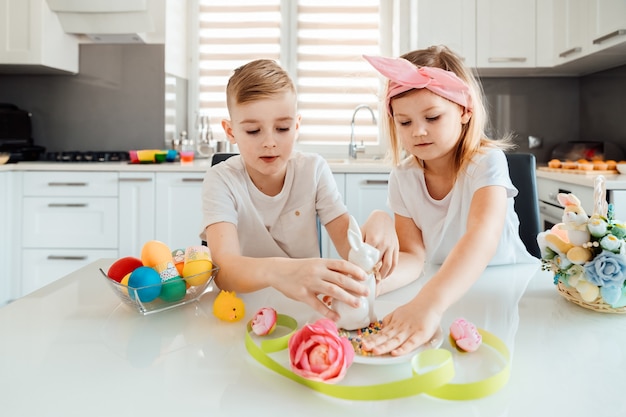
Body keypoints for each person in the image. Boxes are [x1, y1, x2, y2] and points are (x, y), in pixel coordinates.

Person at [359, 46, 537, 356]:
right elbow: (414, 256)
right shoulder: (403, 178)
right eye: (404, 122)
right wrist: (370, 286)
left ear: (465, 110)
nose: (419, 131)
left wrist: (428, 303)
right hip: (444, 290)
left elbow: (482, 236)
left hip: (506, 289)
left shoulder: (486, 162)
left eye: (432, 116)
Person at [200, 59, 401, 321]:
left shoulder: (313, 170)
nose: (269, 142)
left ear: (296, 126)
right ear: (230, 131)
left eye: (282, 128)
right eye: (253, 130)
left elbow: (348, 244)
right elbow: (224, 272)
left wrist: (380, 219)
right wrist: (279, 271)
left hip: (306, 308)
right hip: (243, 309)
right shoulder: (221, 179)